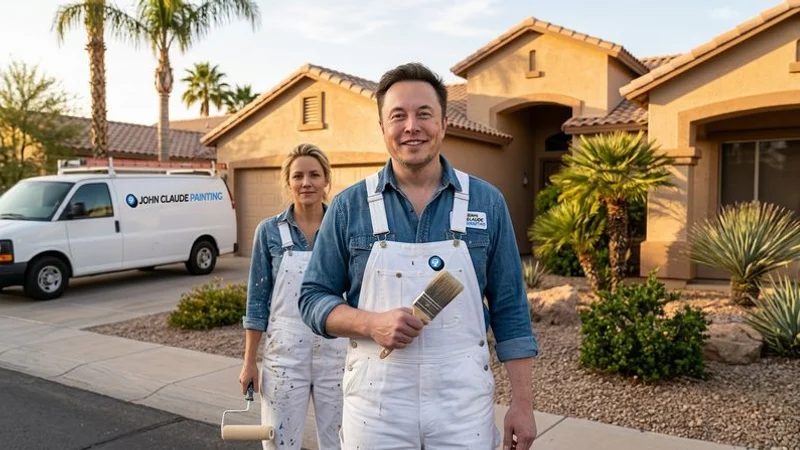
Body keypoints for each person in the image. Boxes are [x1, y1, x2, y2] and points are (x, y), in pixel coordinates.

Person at [299, 63, 539, 450]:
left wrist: (523, 404)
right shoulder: (348, 207)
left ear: (444, 123)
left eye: (424, 113)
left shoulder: (487, 203)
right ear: (382, 127)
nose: (411, 126)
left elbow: (510, 308)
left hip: (463, 408)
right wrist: (370, 323)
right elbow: (312, 298)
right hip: (376, 407)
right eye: (398, 116)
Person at [239, 143, 347, 450]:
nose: (306, 182)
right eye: (298, 176)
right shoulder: (269, 232)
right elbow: (257, 301)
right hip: (284, 357)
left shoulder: (344, 228)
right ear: (288, 182)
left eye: (314, 175)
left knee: (343, 441)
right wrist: (249, 362)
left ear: (326, 180)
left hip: (338, 355)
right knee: (279, 440)